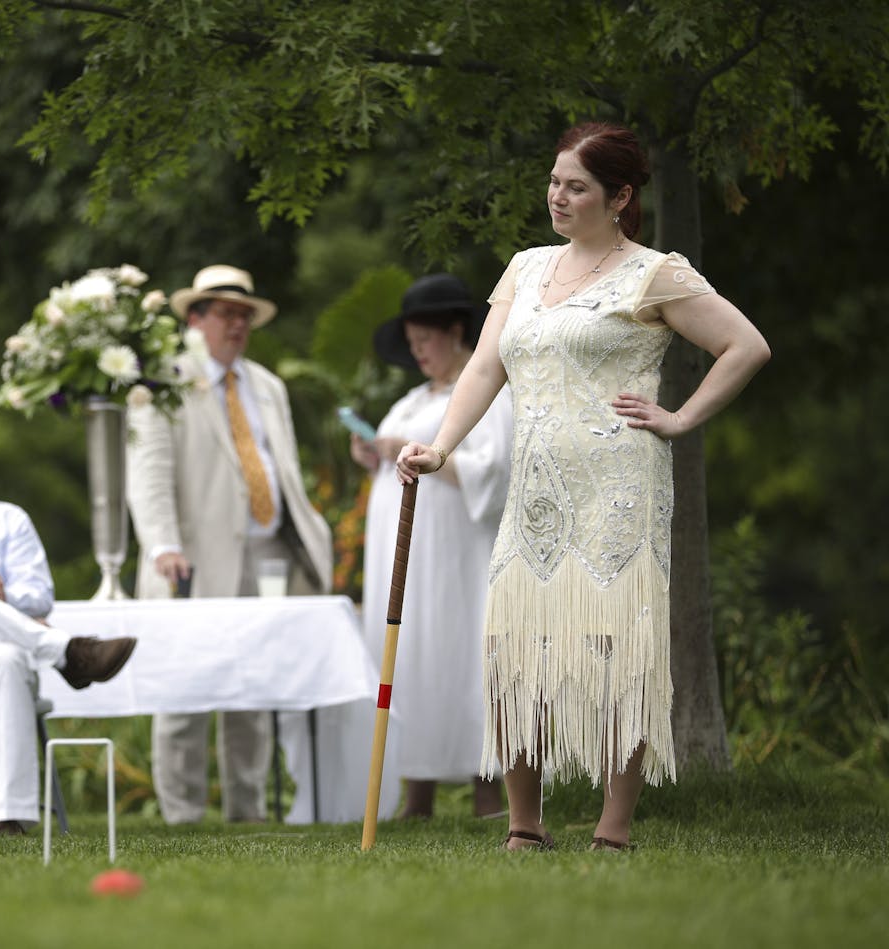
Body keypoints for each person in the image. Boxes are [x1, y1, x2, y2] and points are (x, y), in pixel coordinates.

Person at [395, 122, 771, 851]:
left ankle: (613, 827)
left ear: (620, 196)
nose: (557, 197)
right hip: (535, 487)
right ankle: (524, 825)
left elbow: (746, 345)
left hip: (618, 485)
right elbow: (483, 370)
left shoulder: (653, 273)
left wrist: (681, 416)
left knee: (615, 645)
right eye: (555, 181)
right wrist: (442, 447)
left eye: (576, 186)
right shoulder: (526, 267)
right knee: (514, 645)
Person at [127, 264, 334, 824]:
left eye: (244, 315)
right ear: (195, 319)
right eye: (225, 313)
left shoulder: (267, 386)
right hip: (190, 558)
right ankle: (182, 814)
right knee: (185, 687)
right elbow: (148, 473)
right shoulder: (162, 377)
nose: (237, 324)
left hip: (267, 554)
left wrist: (310, 541)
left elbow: (281, 470)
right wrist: (163, 546)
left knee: (254, 684)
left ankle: (249, 809)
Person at [352, 273, 514, 820]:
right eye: (412, 341)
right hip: (404, 556)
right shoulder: (411, 400)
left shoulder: (486, 390)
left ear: (454, 331)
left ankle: (487, 786)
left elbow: (493, 472)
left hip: (455, 551)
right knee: (410, 654)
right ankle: (416, 787)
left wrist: (415, 452)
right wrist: (377, 453)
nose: (417, 350)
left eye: (426, 339)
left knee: (462, 651)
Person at [0, 412, 136, 835]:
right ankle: (64, 651)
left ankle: (9, 817)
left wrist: (7, 597)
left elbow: (40, 595)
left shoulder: (6, 518)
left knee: (5, 656)